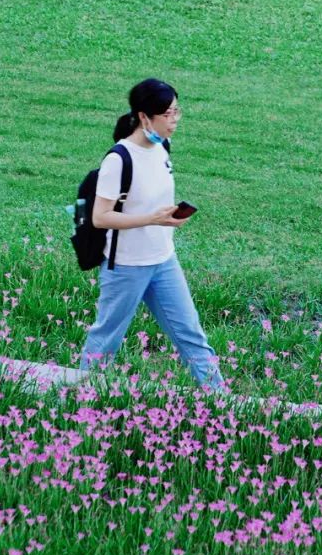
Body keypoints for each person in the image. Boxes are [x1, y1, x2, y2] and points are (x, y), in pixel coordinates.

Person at [78, 78, 226, 392]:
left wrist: (167, 217)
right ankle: (81, 400)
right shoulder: (119, 159)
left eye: (177, 111)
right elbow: (101, 217)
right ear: (145, 117)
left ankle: (222, 402)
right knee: (106, 339)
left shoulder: (162, 148)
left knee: (192, 335)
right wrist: (152, 219)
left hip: (163, 261)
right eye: (168, 114)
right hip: (126, 266)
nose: (175, 120)